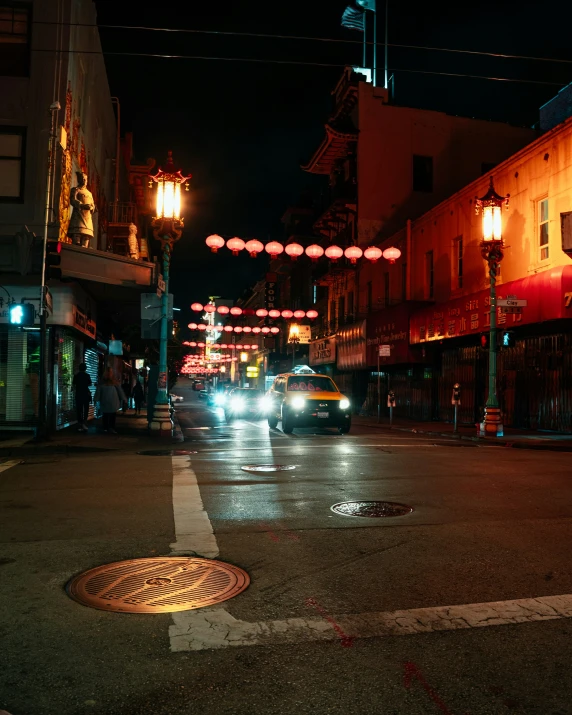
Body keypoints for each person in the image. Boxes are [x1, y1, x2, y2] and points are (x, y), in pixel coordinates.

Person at [94, 368, 126, 434]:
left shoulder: (102, 382)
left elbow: (98, 392)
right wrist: (124, 398)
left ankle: (106, 428)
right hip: (112, 400)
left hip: (106, 400)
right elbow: (120, 391)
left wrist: (96, 399)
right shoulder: (114, 381)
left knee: (106, 415)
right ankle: (111, 428)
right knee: (111, 415)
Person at [73, 363, 92, 432]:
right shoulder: (87, 375)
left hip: (78, 394)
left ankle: (80, 424)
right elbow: (90, 383)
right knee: (86, 409)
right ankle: (84, 423)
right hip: (85, 395)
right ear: (85, 368)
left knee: (79, 410)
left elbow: (74, 384)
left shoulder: (76, 375)